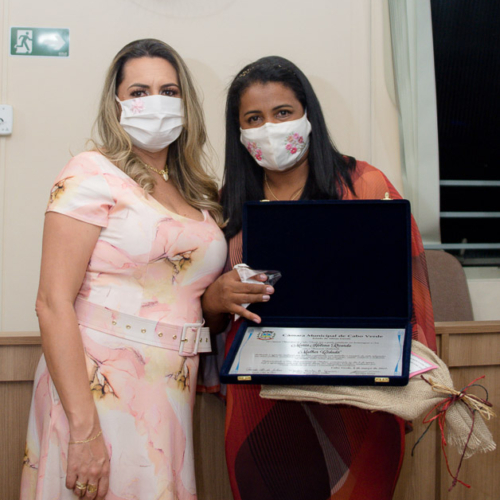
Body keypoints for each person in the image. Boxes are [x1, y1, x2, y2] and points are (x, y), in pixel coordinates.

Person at [201, 56, 436, 500]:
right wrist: (214, 299)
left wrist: (410, 372)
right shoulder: (225, 207)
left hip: (358, 402)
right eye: (254, 119)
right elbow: (206, 319)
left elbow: (409, 289)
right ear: (239, 132)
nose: (270, 127)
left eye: (282, 113)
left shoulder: (366, 185)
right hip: (262, 408)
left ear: (308, 114)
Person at [20, 39, 227, 500]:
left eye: (169, 90)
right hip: (96, 391)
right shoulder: (89, 172)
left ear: (186, 103)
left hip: (169, 393)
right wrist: (83, 430)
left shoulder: (194, 190)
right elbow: (52, 303)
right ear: (116, 105)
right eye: (139, 91)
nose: (155, 101)